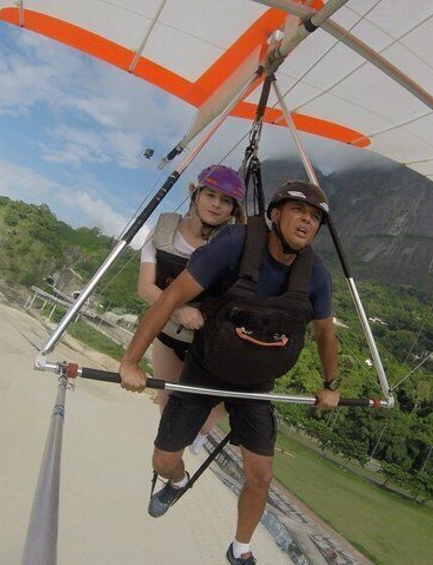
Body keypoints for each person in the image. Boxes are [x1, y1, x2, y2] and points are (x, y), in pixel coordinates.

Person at [120, 180, 341, 564]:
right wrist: (130, 362)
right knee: (163, 459)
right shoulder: (235, 243)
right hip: (206, 367)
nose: (307, 222)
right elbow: (171, 298)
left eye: (315, 218)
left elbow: (325, 333)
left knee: (261, 475)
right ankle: (178, 480)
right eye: (298, 212)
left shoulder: (315, 273)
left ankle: (240, 549)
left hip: (256, 382)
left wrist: (330, 385)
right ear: (274, 215)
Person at [138, 165, 245, 454]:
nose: (216, 204)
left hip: (210, 341)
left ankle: (203, 429)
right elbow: (146, 287)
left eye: (225, 201)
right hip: (171, 332)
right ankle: (173, 470)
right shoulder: (162, 231)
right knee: (170, 413)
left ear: (234, 210)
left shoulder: (235, 244)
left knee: (225, 399)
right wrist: (178, 308)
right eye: (210, 195)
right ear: (195, 194)